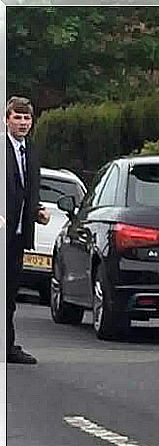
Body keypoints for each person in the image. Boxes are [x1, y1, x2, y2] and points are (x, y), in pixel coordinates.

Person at [6, 96, 50, 364]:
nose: (23, 123)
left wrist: (37, 211)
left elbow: (26, 191)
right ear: (6, 119)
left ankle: (7, 347)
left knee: (9, 294)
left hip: (18, 235)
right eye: (17, 117)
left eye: (27, 118)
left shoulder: (30, 150)